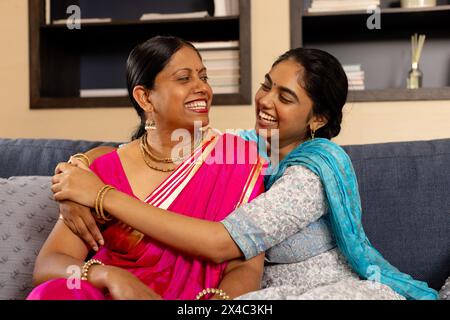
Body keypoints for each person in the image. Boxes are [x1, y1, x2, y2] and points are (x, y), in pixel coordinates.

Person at [52, 47, 439, 300]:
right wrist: (78, 171)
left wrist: (103, 197)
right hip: (261, 296)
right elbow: (141, 149)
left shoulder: (314, 174)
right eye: (266, 86)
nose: (266, 101)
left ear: (317, 118)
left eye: (285, 98)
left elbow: (223, 243)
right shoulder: (242, 146)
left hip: (325, 291)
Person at [27, 36, 266, 300]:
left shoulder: (236, 159)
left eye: (204, 77)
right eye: (184, 79)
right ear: (145, 98)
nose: (203, 88)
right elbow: (48, 264)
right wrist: (109, 275)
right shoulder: (101, 171)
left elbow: (246, 266)